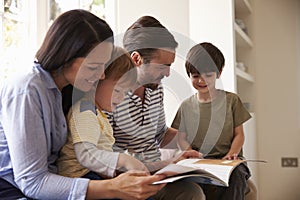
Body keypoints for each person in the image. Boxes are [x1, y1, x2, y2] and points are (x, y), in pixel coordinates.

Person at [0, 10, 165, 200]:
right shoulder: (27, 90)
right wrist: (112, 187)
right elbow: (32, 182)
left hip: (52, 182)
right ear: (65, 56)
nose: (102, 76)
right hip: (13, 189)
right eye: (94, 66)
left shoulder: (68, 89)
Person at [102, 15, 206, 200]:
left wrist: (188, 151)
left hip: (157, 174)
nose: (167, 73)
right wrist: (162, 164)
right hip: (130, 179)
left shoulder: (155, 89)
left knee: (195, 190)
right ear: (137, 59)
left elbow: (160, 133)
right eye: (163, 66)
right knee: (193, 194)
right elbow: (106, 152)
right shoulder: (110, 94)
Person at [171, 42, 251, 200]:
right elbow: (180, 137)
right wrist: (190, 154)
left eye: (208, 75)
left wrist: (231, 154)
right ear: (189, 75)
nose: (201, 80)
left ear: (219, 73)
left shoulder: (232, 101)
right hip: (200, 162)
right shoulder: (186, 106)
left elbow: (239, 135)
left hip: (229, 161)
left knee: (237, 175)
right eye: (196, 76)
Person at [57, 46, 148, 180]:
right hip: (79, 178)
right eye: (117, 91)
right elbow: (85, 155)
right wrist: (122, 160)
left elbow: (103, 153)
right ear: (95, 82)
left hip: (92, 174)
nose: (121, 98)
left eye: (125, 92)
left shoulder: (99, 113)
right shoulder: (85, 110)